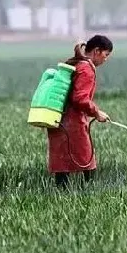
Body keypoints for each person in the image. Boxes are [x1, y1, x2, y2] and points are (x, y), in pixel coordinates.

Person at [47, 35, 113, 189]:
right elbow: (80, 98)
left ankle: (61, 196)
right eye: (106, 54)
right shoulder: (86, 69)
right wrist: (97, 113)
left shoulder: (77, 64)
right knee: (88, 162)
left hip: (59, 120)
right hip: (72, 124)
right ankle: (88, 194)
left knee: (62, 164)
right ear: (97, 51)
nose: (106, 59)